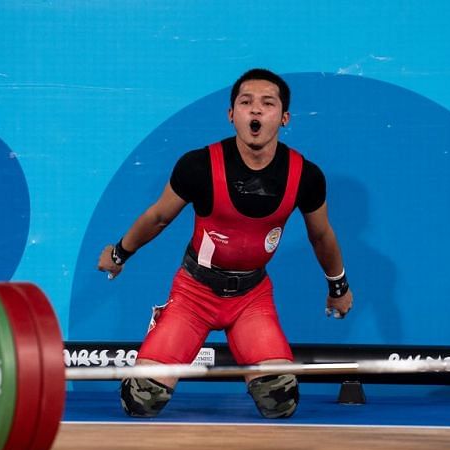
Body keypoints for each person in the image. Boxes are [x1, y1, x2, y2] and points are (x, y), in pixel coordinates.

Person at [97, 68, 353, 419]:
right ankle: (163, 329)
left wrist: (338, 286)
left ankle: (249, 353)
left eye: (267, 103)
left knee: (280, 402)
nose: (256, 110)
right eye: (246, 103)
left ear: (285, 117)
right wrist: (118, 253)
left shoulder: (307, 176)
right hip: (194, 294)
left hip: (251, 298)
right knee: (141, 401)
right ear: (232, 114)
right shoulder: (198, 166)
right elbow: (158, 216)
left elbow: (321, 235)